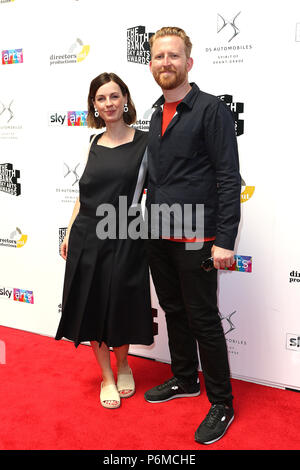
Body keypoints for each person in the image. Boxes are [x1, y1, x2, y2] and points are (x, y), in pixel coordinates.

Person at [144, 27, 241, 444]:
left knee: (202, 317)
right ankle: (185, 378)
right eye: (159, 56)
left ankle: (221, 402)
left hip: (199, 237)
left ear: (189, 62)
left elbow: (228, 178)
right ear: (151, 64)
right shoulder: (152, 112)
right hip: (157, 234)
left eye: (174, 55)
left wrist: (225, 240)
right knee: (173, 310)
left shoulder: (210, 110)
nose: (166, 62)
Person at [55, 72, 154, 409]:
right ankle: (107, 377)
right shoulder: (93, 143)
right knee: (93, 304)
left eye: (114, 96)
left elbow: (156, 192)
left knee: (122, 305)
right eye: (101, 98)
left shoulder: (146, 142)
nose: (108, 104)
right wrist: (69, 230)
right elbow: (84, 195)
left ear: (125, 99)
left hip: (125, 236)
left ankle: (124, 363)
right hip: (87, 236)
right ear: (94, 105)